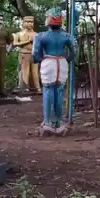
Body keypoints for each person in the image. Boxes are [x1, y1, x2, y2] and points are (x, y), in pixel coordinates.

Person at [32, 8, 76, 136]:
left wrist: (40, 60)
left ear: (48, 19)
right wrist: (67, 60)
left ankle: (48, 122)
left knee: (48, 90)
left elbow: (35, 53)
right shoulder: (66, 36)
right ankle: (58, 122)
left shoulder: (41, 36)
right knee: (60, 91)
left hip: (48, 62)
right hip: (61, 62)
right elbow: (74, 50)